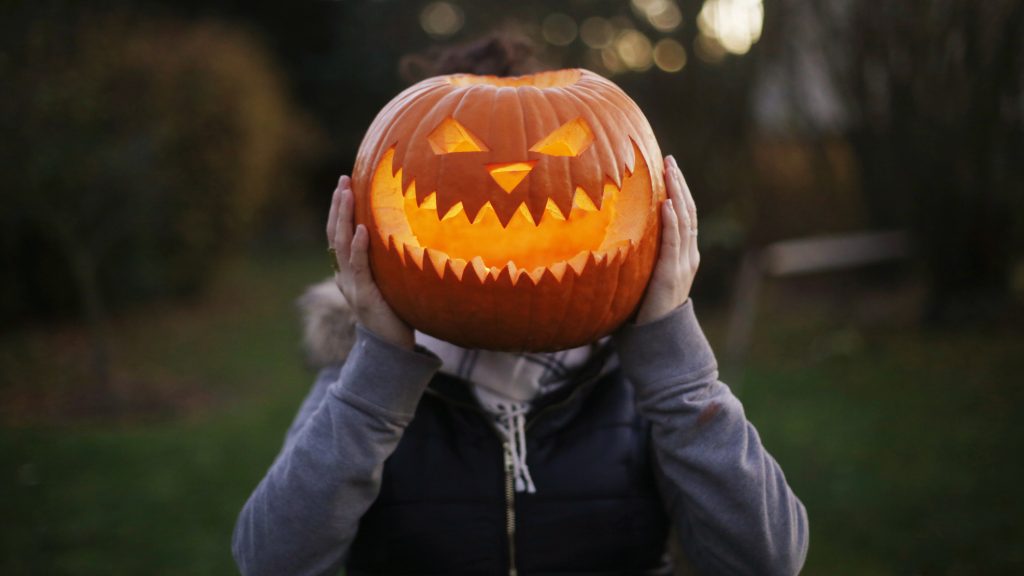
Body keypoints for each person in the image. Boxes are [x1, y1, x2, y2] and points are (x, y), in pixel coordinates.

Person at [233, 39, 808, 576]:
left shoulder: (645, 388)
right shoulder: (364, 382)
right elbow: (268, 561)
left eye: (561, 145)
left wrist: (676, 366)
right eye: (456, 146)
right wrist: (380, 366)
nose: (510, 175)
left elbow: (768, 560)